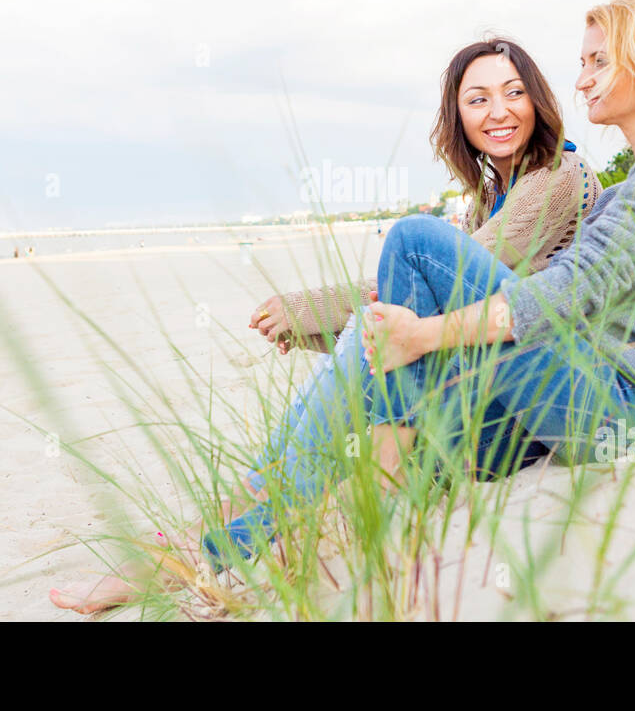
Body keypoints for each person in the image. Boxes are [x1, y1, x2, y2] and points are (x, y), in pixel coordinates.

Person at [196, 0, 635, 573]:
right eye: (583, 62)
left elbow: (575, 286)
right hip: (597, 401)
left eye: (598, 61)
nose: (582, 79)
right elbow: (573, 294)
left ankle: (312, 501)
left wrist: (423, 335)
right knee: (418, 437)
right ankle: (233, 543)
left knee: (414, 241)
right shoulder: (630, 186)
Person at [49, 37, 600, 613]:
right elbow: (421, 321)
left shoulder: (559, 176)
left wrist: (309, 306)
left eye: (514, 93)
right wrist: (310, 331)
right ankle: (223, 532)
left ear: (537, 100)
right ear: (458, 117)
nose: (499, 111)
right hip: (488, 399)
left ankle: (209, 542)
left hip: (534, 414)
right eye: (478, 99)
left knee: (383, 296)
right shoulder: (489, 196)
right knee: (371, 336)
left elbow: (428, 278)